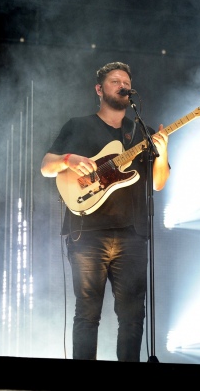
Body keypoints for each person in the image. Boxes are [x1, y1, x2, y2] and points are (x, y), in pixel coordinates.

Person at [40, 61, 170, 362]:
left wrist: (163, 152)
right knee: (87, 313)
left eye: (126, 80)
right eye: (115, 80)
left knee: (134, 315)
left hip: (133, 235)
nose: (122, 84)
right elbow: (47, 167)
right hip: (87, 232)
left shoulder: (142, 132)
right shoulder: (78, 125)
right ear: (99, 90)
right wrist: (69, 159)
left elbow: (160, 183)